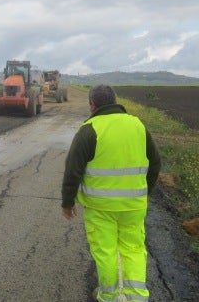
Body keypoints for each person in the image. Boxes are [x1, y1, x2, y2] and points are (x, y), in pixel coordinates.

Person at [61, 84, 161, 302]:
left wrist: (67, 202)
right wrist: (145, 192)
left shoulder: (89, 129)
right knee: (134, 249)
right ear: (115, 101)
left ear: (92, 105)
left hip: (100, 208)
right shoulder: (138, 125)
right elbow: (155, 163)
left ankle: (108, 296)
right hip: (134, 206)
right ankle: (137, 297)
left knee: (105, 252)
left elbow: (73, 170)